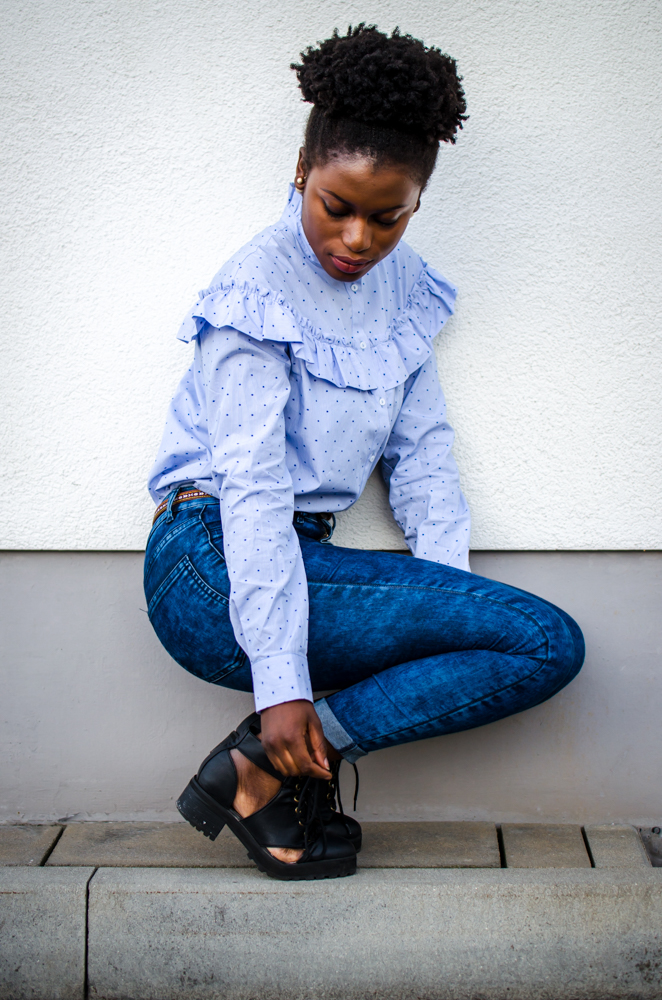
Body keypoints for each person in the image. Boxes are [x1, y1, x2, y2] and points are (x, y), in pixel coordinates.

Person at [144, 25, 584, 881]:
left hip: (303, 559)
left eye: (387, 216)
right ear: (303, 170)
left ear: (418, 200)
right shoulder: (254, 290)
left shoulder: (404, 287)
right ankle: (273, 751)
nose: (356, 240)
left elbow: (423, 457)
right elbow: (255, 487)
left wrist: (449, 599)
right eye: (336, 207)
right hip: (209, 561)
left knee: (535, 643)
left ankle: (269, 771)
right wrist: (280, 683)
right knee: (544, 638)